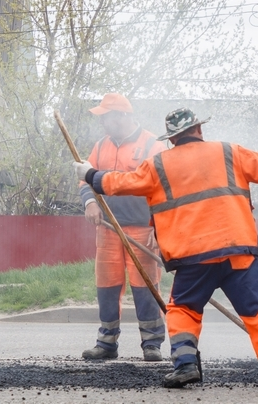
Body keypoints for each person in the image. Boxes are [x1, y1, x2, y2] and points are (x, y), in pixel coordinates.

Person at [74, 108, 258, 392]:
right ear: (199, 129)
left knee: (182, 310)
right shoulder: (229, 152)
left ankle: (185, 365)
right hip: (238, 252)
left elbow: (121, 183)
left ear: (172, 139)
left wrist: (90, 175)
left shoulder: (157, 164)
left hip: (192, 257)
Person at [78, 93, 166, 362]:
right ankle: (106, 342)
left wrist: (158, 228)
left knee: (145, 286)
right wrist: (90, 203)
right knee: (107, 285)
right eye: (102, 117)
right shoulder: (101, 146)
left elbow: (164, 190)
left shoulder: (152, 145)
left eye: (107, 117)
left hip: (141, 229)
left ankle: (151, 343)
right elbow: (86, 180)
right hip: (107, 228)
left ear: (124, 116)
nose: (103, 122)